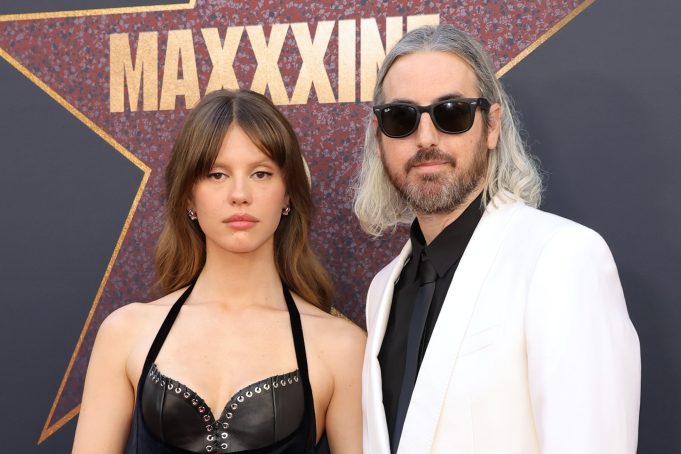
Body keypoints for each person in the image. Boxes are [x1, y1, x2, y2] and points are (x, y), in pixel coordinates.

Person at [354, 24, 640, 454]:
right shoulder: (383, 291)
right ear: (379, 137)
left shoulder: (562, 259)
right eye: (401, 118)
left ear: (491, 126)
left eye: (451, 112)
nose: (426, 138)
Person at [73, 89, 365, 454]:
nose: (239, 194)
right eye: (216, 174)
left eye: (261, 173)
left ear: (288, 194)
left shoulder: (342, 347)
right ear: (188, 197)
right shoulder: (126, 333)